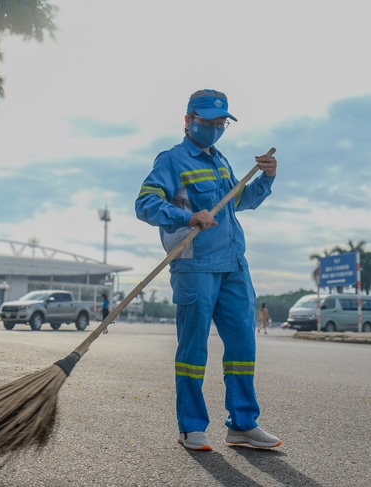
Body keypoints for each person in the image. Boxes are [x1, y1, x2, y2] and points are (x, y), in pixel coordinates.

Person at [135, 89, 281, 451]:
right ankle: (191, 426)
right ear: (188, 121)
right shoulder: (172, 161)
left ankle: (243, 424)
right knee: (193, 348)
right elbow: (145, 203)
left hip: (233, 264)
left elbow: (238, 201)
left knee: (243, 345)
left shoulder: (222, 162)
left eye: (221, 124)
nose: (216, 129)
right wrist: (187, 216)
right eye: (209, 122)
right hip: (194, 265)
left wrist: (266, 180)